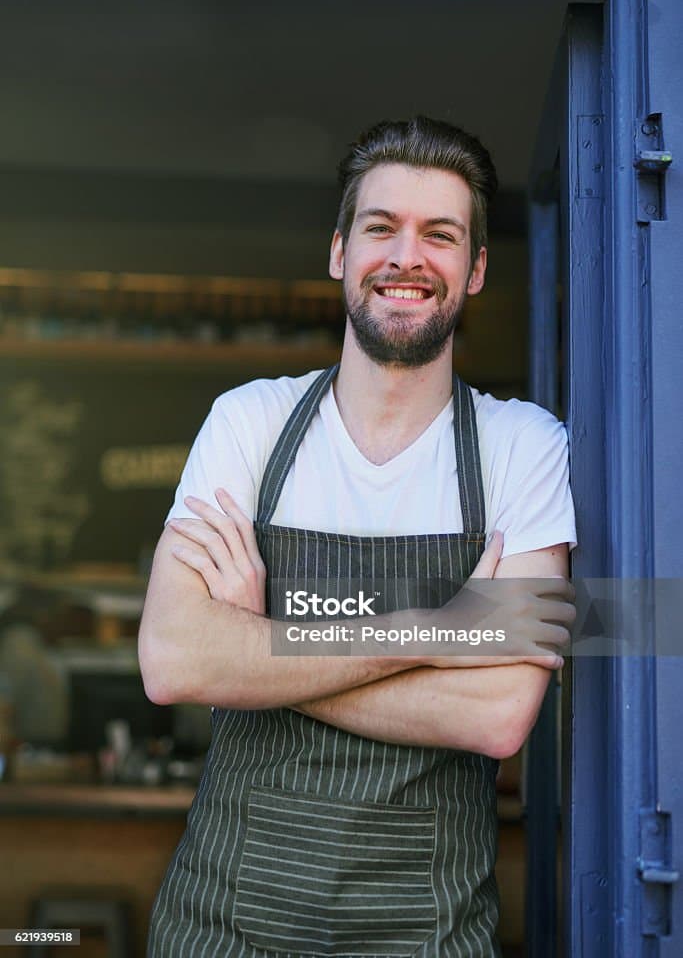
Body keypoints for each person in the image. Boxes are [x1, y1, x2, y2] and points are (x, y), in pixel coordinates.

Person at [139, 116, 577, 957]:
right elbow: (173, 662)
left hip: (426, 930)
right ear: (340, 251)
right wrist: (443, 631)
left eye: (439, 235)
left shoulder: (522, 446)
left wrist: (257, 651)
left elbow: (496, 715)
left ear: (475, 268)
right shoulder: (251, 423)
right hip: (223, 924)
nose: (406, 257)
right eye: (381, 228)